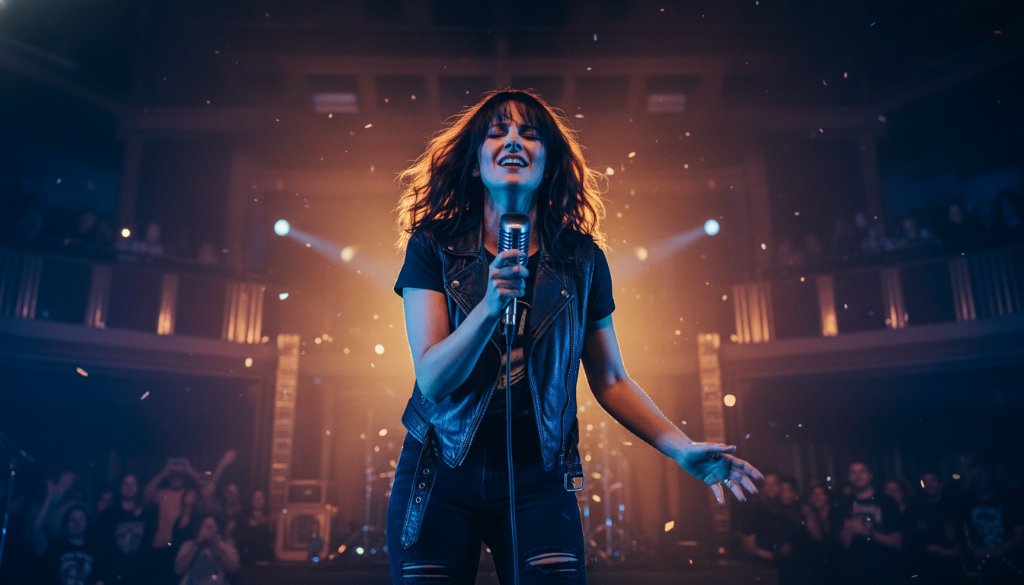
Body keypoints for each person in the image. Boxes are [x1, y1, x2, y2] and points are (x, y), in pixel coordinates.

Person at [388, 88, 762, 584]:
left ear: (550, 162)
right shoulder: (434, 246)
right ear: (476, 164)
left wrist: (680, 447)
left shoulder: (582, 260)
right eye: (498, 133)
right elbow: (433, 378)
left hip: (538, 474)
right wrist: (489, 308)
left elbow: (610, 379)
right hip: (439, 472)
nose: (514, 141)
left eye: (530, 134)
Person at [831, 461, 905, 585]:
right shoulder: (842, 505)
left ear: (871, 475)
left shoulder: (887, 502)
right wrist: (847, 534)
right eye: (853, 472)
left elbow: (897, 542)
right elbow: (840, 546)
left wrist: (865, 531)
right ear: (849, 477)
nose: (857, 475)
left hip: (886, 572)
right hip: (855, 574)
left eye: (862, 471)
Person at [96, 473, 153, 585]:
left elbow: (148, 546)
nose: (129, 487)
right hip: (113, 575)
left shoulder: (147, 515)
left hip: (139, 576)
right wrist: (100, 577)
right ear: (120, 487)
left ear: (138, 487)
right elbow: (101, 547)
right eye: (125, 483)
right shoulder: (108, 515)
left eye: (133, 483)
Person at [173, 514, 240, 585]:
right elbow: (178, 570)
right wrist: (197, 544)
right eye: (206, 527)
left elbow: (233, 571)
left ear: (217, 529)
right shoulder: (188, 545)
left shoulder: (226, 547)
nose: (208, 531)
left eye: (211, 527)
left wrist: (217, 547)